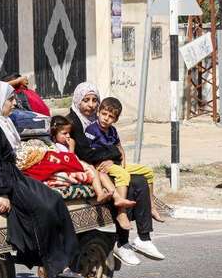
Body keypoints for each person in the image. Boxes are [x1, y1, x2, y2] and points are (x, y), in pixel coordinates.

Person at [0, 81, 84, 278]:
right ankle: (52, 267)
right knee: (44, 208)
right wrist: (2, 193)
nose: (14, 103)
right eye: (10, 99)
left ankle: (69, 263)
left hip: (10, 175)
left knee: (55, 200)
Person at [66, 82, 164, 266]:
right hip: (90, 169)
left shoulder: (102, 124)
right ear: (78, 100)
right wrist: (114, 154)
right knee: (132, 183)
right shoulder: (74, 122)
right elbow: (86, 154)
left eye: (95, 100)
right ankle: (123, 240)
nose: (91, 105)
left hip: (105, 166)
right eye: (86, 100)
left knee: (141, 180)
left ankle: (143, 238)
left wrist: (116, 157)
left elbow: (116, 149)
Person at [86, 97, 165, 223]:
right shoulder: (91, 130)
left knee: (148, 171)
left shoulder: (112, 131)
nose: (106, 118)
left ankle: (152, 206)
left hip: (115, 163)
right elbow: (89, 153)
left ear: (116, 119)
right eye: (104, 114)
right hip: (102, 166)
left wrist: (122, 164)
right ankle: (121, 211)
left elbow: (120, 148)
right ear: (98, 113)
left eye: (110, 116)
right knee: (123, 175)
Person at [51, 115, 136, 218]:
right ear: (54, 135)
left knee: (101, 174)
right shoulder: (57, 147)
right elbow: (69, 161)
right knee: (94, 171)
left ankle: (117, 198)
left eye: (69, 133)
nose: (68, 136)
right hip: (73, 169)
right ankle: (101, 193)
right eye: (64, 133)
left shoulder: (64, 144)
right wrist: (72, 148)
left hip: (81, 166)